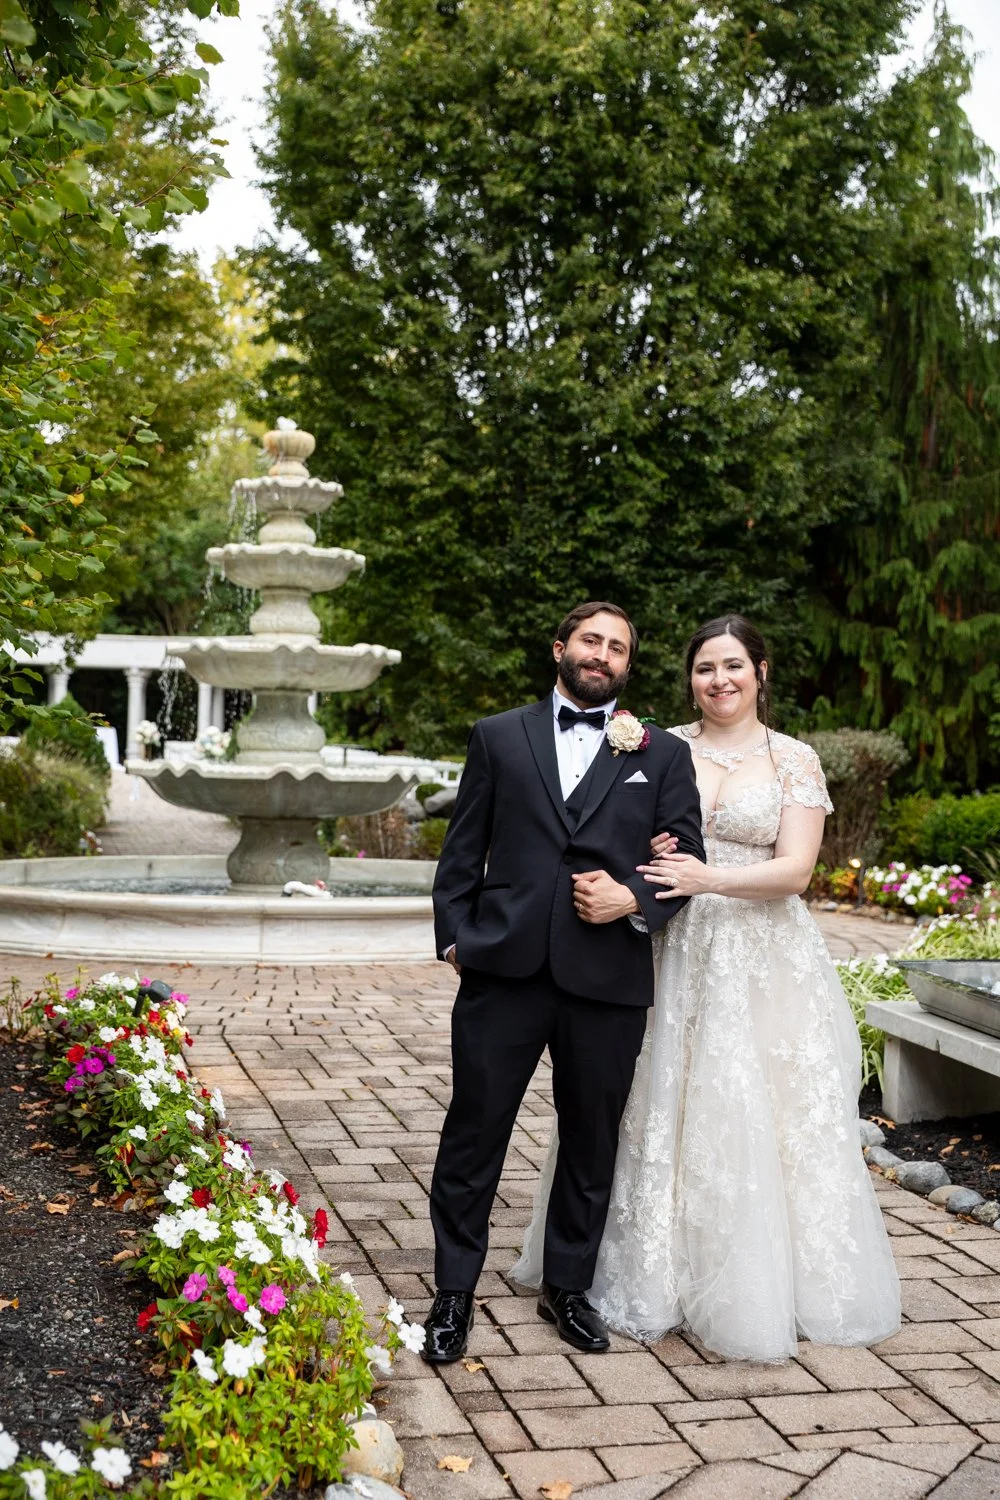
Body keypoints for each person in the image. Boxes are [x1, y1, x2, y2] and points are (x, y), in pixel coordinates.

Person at [512, 614, 901, 1362]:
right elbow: (606, 830)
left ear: (761, 673)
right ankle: (636, 1268)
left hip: (759, 956)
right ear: (689, 678)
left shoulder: (793, 759)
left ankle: (752, 1281)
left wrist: (706, 875)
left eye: (732, 666)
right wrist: (647, 851)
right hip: (666, 943)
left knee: (752, 1106)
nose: (718, 680)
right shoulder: (655, 745)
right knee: (647, 1100)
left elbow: (796, 871)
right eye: (704, 668)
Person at [424, 602, 706, 1363]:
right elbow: (463, 849)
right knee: (474, 1132)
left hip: (608, 975)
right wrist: (455, 938)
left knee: (591, 1140)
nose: (602, 654)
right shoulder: (497, 736)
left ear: (627, 666)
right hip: (503, 970)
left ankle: (569, 1289)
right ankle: (453, 1292)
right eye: (591, 640)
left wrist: (632, 900)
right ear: (560, 648)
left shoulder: (662, 753)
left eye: (617, 648)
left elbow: (684, 864)